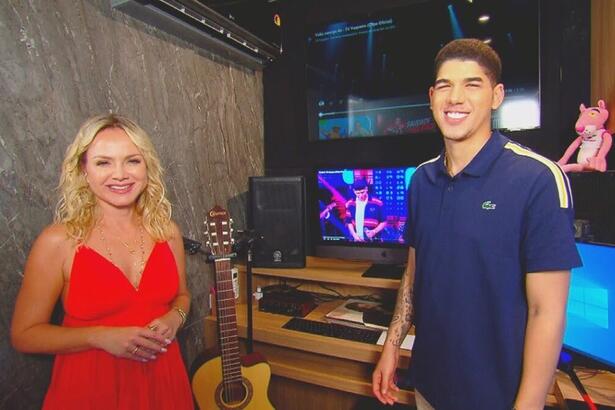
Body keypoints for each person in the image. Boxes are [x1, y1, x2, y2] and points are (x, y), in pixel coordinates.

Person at [372, 39, 581, 410]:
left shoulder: (537, 179)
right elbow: (414, 273)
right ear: (431, 96)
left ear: (496, 96)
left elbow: (546, 312)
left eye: (472, 84)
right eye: (444, 85)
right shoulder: (420, 180)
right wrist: (390, 347)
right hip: (428, 388)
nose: (455, 97)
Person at [11, 114, 194, 409]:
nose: (120, 174)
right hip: (91, 389)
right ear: (84, 170)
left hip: (165, 382)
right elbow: (24, 335)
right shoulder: (58, 241)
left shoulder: (167, 232)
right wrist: (99, 337)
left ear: (147, 167)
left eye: (132, 160)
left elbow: (182, 296)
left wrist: (176, 318)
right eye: (103, 162)